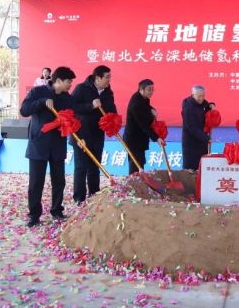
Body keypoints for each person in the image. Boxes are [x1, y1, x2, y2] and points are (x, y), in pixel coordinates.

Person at [20, 66, 76, 227]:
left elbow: (73, 117)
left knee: (59, 180)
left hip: (58, 144)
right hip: (38, 143)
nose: (70, 85)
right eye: (68, 81)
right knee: (36, 182)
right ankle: (34, 215)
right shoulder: (38, 92)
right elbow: (24, 110)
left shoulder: (68, 99)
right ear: (58, 81)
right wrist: (42, 102)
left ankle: (57, 210)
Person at [70, 65, 116, 204]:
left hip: (97, 135)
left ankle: (94, 195)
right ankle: (79, 198)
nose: (109, 80)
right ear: (97, 78)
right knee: (81, 167)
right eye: (107, 77)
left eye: (109, 77)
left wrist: (112, 120)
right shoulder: (81, 89)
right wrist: (90, 106)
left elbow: (112, 110)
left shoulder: (108, 92)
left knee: (95, 167)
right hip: (81, 135)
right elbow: (72, 108)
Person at [123, 79, 165, 175]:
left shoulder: (143, 98)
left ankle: (140, 182)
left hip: (140, 138)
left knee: (141, 163)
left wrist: (152, 109)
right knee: (135, 166)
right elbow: (144, 125)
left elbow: (146, 107)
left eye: (152, 89)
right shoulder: (136, 104)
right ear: (141, 90)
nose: (151, 92)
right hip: (133, 140)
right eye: (149, 89)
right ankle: (134, 183)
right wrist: (157, 138)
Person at [181, 85, 215, 171]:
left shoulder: (202, 103)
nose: (201, 98)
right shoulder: (188, 107)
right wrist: (206, 138)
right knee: (191, 170)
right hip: (191, 143)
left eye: (203, 96)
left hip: (201, 142)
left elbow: (206, 106)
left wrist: (211, 106)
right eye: (199, 96)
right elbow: (191, 127)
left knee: (202, 168)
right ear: (193, 95)